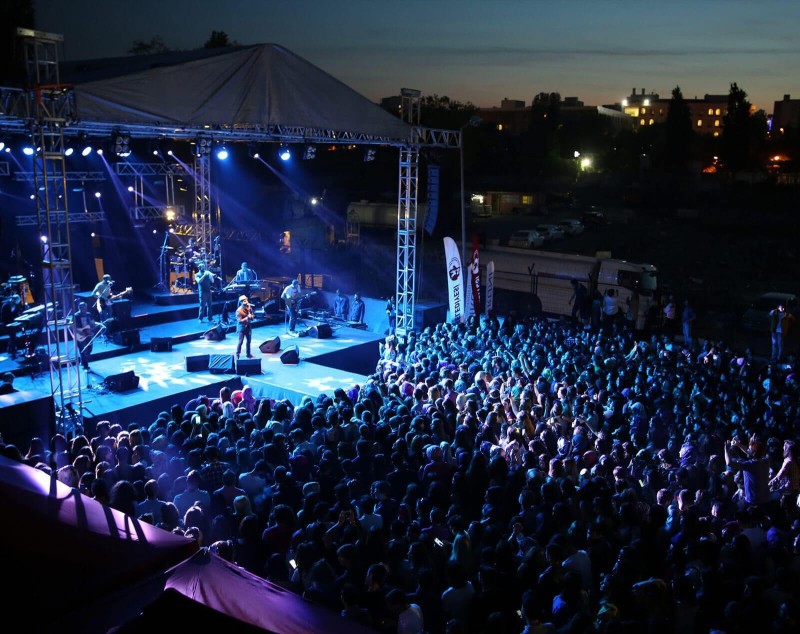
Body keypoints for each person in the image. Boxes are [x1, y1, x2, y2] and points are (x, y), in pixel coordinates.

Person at [73, 301, 97, 371]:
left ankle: (82, 361)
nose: (84, 309)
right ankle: (86, 366)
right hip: (80, 335)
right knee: (83, 350)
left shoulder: (88, 314)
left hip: (88, 334)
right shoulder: (76, 316)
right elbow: (72, 326)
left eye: (85, 308)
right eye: (82, 308)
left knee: (89, 349)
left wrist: (93, 327)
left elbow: (92, 323)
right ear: (79, 308)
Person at [1, 292, 23, 359]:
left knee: (14, 335)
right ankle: (11, 349)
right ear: (13, 300)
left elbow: (16, 313)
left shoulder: (15, 305)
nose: (17, 303)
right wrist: (11, 321)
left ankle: (12, 349)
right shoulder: (6, 305)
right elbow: (4, 317)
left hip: (12, 322)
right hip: (6, 323)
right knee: (12, 335)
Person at [235, 295, 254, 359]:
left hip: (248, 327)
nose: (245, 302)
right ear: (241, 302)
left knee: (249, 341)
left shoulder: (249, 307)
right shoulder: (239, 311)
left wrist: (251, 317)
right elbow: (240, 321)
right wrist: (247, 317)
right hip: (241, 328)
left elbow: (252, 315)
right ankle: (237, 354)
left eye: (246, 300)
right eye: (243, 301)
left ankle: (248, 354)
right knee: (240, 341)